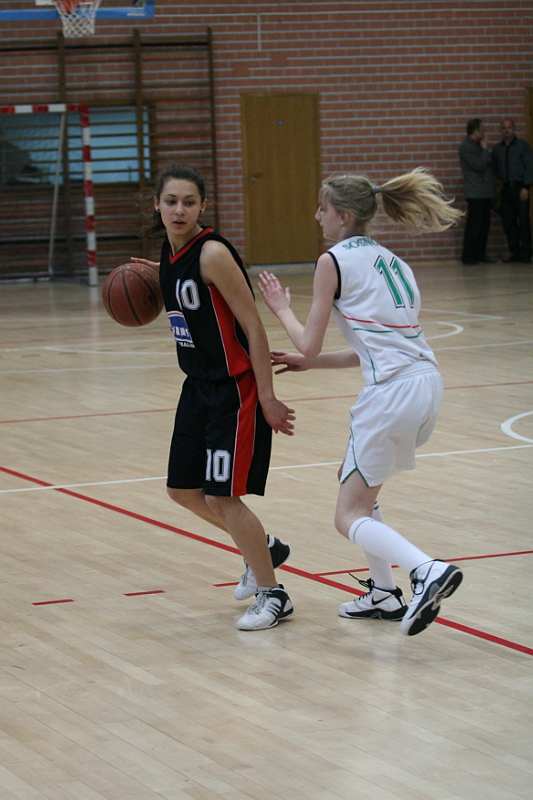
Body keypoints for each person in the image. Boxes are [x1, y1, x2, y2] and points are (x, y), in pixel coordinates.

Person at [258, 168, 464, 637]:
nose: (318, 216)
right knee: (354, 483)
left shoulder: (331, 260)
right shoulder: (394, 262)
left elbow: (308, 342)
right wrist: (313, 365)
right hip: (426, 385)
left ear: (344, 216)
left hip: (391, 394)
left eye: (323, 209)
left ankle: (426, 569)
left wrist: (281, 309)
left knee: (347, 515)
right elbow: (374, 348)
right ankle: (384, 594)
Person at [132, 163, 295, 631]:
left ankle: (274, 595)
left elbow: (253, 326)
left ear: (203, 206)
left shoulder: (212, 253)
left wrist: (268, 398)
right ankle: (264, 548)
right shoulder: (169, 253)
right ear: (157, 205)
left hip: (233, 390)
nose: (179, 210)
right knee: (182, 490)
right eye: (170, 201)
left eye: (189, 202)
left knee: (223, 497)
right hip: (196, 388)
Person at [491, 117, 533, 264]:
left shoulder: (523, 146)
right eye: (503, 128)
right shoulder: (497, 149)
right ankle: (515, 252)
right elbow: (494, 171)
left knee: (524, 220)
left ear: (514, 129)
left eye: (509, 128)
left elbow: (529, 167)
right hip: (505, 190)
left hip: (520, 188)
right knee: (508, 222)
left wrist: (526, 187)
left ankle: (526, 252)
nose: (506, 131)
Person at [458, 118, 494, 264]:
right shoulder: (466, 146)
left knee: (484, 225)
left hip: (485, 192)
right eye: (482, 129)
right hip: (475, 193)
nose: (484, 132)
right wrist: (485, 149)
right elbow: (479, 165)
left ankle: (480, 254)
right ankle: (468, 255)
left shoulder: (478, 145)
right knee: (474, 225)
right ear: (475, 130)